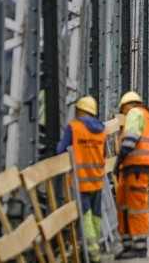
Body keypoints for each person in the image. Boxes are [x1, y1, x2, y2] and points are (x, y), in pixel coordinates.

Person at [56, 96, 106, 263]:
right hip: (97, 178)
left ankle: (93, 255)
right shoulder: (102, 129)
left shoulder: (74, 127)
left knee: (86, 217)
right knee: (96, 216)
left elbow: (60, 149)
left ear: (80, 111)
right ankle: (96, 247)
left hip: (80, 181)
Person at [113, 90, 149, 260]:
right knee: (124, 205)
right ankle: (128, 245)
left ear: (128, 105)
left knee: (136, 206)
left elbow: (130, 140)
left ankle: (139, 247)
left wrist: (118, 162)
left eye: (123, 110)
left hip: (135, 168)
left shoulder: (135, 113)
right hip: (135, 168)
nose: (124, 114)